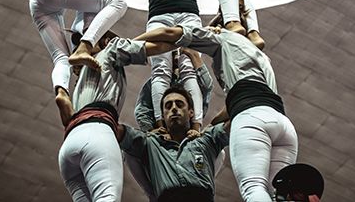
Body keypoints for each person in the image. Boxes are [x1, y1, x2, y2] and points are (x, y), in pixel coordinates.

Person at [135, 24, 298, 202]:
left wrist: (127, 46)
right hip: (281, 122)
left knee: (254, 187)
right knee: (276, 191)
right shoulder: (261, 57)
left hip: (250, 117)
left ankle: (201, 179)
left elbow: (169, 33)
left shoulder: (223, 39)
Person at [112, 0, 212, 132]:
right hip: (160, 15)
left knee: (188, 68)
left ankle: (196, 124)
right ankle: (160, 124)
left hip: (188, 14)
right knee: (160, 69)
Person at [57, 30, 179, 202]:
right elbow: (158, 46)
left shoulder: (79, 82)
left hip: (69, 145)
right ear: (107, 40)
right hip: (97, 131)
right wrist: (187, 41)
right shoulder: (111, 49)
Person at [118, 86, 230, 202]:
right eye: (168, 106)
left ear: (191, 112)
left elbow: (236, 115)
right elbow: (120, 131)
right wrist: (151, 130)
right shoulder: (151, 143)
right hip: (166, 194)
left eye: (179, 104)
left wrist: (208, 125)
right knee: (128, 150)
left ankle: (200, 182)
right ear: (162, 115)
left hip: (201, 194)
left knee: (219, 152)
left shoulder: (204, 140)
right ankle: (153, 194)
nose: (174, 108)